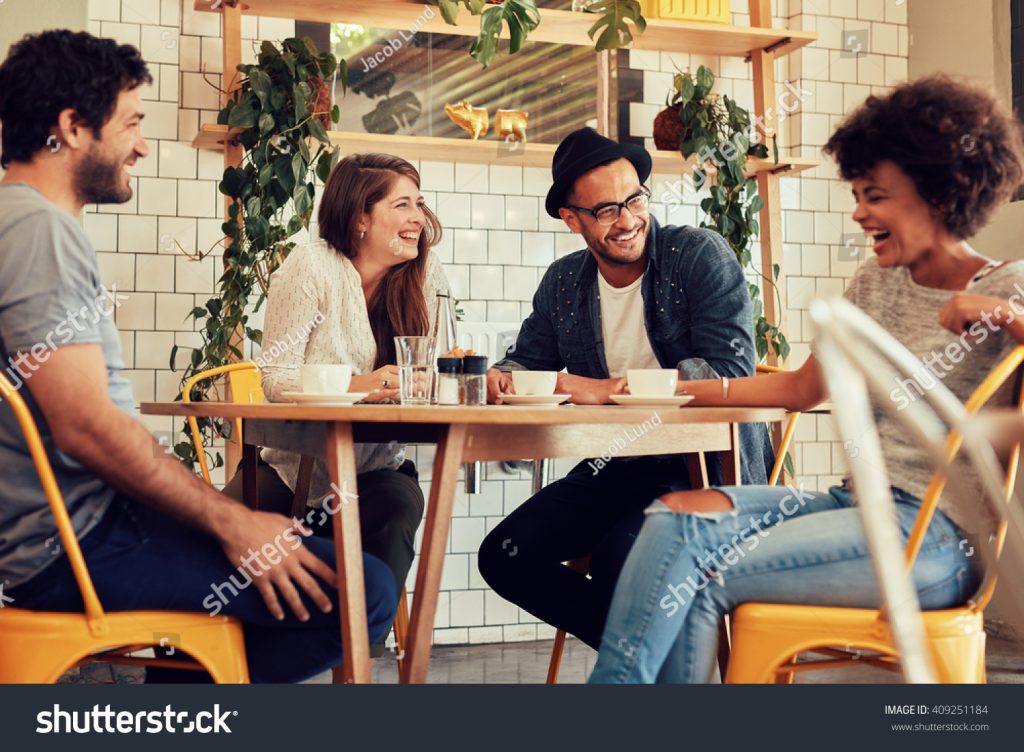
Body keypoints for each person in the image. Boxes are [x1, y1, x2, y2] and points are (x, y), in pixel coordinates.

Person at [588, 75, 1024, 683]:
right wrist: (647, 388)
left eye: (876, 196)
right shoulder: (874, 285)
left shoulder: (1008, 285)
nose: (859, 212)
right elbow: (797, 389)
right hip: (853, 506)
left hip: (937, 541)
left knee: (693, 564)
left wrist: (1006, 315)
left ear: (936, 194)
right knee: (673, 519)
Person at [0, 30, 395, 683]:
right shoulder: (41, 231)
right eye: (130, 123)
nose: (142, 145)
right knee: (366, 589)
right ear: (71, 128)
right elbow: (86, 425)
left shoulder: (20, 223)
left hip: (71, 533)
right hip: (78, 544)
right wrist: (232, 520)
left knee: (300, 572)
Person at [477, 127, 774, 650]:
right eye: (607, 210)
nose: (629, 220)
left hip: (702, 468)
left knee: (623, 559)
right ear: (573, 219)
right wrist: (502, 375)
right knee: (504, 553)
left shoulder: (698, 256)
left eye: (635, 198)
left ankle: (649, 671)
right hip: (612, 466)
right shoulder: (564, 282)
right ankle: (647, 658)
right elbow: (527, 360)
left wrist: (607, 390)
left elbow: (732, 373)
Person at [223, 153, 451, 630]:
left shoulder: (426, 277)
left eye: (420, 204)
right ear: (361, 217)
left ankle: (356, 655)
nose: (418, 219)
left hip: (376, 469)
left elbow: (437, 373)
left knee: (394, 518)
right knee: (210, 540)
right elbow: (277, 377)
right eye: (403, 204)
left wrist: (431, 382)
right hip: (291, 469)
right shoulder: (311, 266)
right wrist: (363, 387)